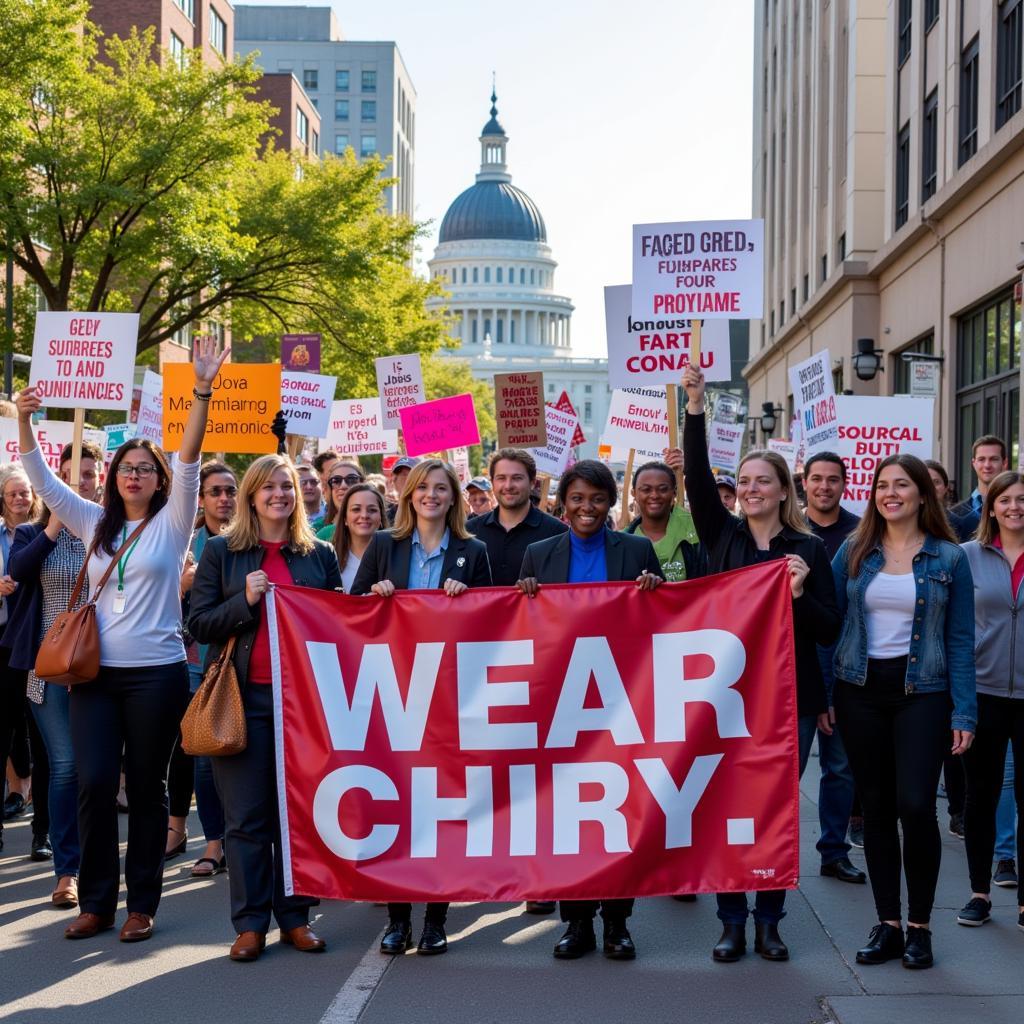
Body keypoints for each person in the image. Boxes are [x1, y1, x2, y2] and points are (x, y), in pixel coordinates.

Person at [14, 336, 229, 943]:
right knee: (94, 781)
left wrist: (204, 388)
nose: (134, 475)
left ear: (158, 481)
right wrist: (25, 419)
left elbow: (189, 457)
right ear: (113, 478)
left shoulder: (174, 520)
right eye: (125, 468)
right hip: (96, 676)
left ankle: (142, 906)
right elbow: (44, 484)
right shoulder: (92, 520)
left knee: (149, 786)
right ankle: (98, 902)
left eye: (144, 469)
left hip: (157, 674)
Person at [682, 365, 840, 963]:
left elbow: (830, 626)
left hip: (789, 701)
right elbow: (697, 480)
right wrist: (694, 406)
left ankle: (770, 919)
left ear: (782, 490)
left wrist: (799, 597)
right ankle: (730, 919)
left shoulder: (808, 550)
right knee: (726, 806)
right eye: (744, 481)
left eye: (761, 481)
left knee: (773, 808)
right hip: (724, 696)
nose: (750, 489)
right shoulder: (723, 539)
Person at [188, 454, 342, 962]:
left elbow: (339, 624)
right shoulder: (221, 551)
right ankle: (250, 924)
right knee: (247, 818)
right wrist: (244, 603)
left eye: (287, 486)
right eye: (269, 487)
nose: (280, 494)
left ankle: (296, 918)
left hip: (305, 707)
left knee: (296, 816)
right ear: (252, 495)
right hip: (243, 699)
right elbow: (200, 624)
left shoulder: (318, 554)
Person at [832, 454, 975, 970]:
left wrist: (965, 711)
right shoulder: (854, 552)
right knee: (875, 808)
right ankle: (888, 924)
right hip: (859, 690)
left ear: (921, 494)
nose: (890, 493)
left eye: (901, 485)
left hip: (925, 692)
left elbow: (960, 639)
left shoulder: (948, 558)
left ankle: (920, 928)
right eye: (881, 485)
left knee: (916, 804)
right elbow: (831, 621)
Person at [517, 458, 663, 962]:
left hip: (623, 701)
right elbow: (520, 631)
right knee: (570, 818)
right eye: (577, 498)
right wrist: (524, 597)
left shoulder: (638, 550)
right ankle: (576, 923)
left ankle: (618, 924)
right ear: (563, 501)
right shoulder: (538, 554)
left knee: (619, 812)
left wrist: (654, 591)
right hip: (561, 704)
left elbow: (666, 624)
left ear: (610, 504)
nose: (587, 508)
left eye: (597, 499)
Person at [351, 458, 491, 957]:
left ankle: (436, 918)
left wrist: (468, 597)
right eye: (422, 487)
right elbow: (349, 613)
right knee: (397, 807)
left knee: (442, 808)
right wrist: (374, 595)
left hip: (449, 699)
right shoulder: (384, 546)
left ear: (454, 498)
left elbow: (492, 626)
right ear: (408, 495)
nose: (430, 495)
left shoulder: (473, 551)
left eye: (440, 488)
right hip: (393, 695)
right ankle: (396, 919)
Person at [4, 442, 103, 907]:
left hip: (105, 667)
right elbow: (19, 571)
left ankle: (100, 862)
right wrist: (54, 524)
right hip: (50, 668)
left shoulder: (110, 529)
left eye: (88, 472)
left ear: (101, 477)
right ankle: (68, 871)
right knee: (64, 767)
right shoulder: (31, 533)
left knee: (97, 770)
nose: (80, 480)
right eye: (70, 473)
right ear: (54, 477)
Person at [956, 471, 1024, 932]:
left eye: (1023, 499)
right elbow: (954, 629)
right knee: (980, 797)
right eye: (1007, 499)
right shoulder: (968, 557)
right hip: (982, 692)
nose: (1016, 507)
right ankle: (980, 892)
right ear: (991, 505)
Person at [169, 460, 237, 876]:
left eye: (231, 490)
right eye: (215, 492)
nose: (224, 499)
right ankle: (214, 842)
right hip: (196, 665)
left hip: (245, 663)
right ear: (201, 499)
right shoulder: (183, 546)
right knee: (204, 756)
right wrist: (182, 586)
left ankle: (245, 838)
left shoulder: (251, 539)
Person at [802, 452, 866, 885]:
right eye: (817, 479)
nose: (824, 487)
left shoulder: (861, 533)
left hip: (845, 665)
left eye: (833, 480)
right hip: (797, 666)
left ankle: (833, 850)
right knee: (781, 769)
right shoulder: (791, 531)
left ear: (844, 484)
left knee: (840, 767)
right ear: (803, 482)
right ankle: (772, 850)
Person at [0, 467, 45, 858]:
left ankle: (41, 832)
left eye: (25, 492)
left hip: (36, 644)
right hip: (3, 642)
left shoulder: (41, 533)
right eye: (13, 493)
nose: (19, 498)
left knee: (39, 733)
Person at [466, 448, 567, 588]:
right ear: (492, 483)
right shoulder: (469, 531)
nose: (508, 486)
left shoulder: (558, 533)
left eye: (517, 478)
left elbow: (562, 590)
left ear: (532, 482)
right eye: (501, 478)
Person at [622, 451, 703, 581]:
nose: (654, 495)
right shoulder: (621, 541)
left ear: (674, 493)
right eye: (646, 489)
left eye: (663, 489)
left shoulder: (695, 533)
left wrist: (690, 469)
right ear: (634, 493)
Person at [332, 483, 386, 593]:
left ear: (381, 518)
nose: (364, 515)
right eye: (356, 509)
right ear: (345, 518)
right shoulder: (330, 559)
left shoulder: (395, 558)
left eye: (372, 510)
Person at [952, 435, 1009, 520]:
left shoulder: (1016, 512)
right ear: (974, 464)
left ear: (1004, 463)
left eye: (994, 459)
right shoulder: (955, 515)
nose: (987, 465)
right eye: (981, 459)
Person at [927, 459, 978, 545]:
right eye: (925, 482)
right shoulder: (906, 523)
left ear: (946, 487)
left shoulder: (964, 523)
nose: (931, 487)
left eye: (936, 482)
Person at [315, 459, 365, 541]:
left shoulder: (375, 524)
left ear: (363, 484)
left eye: (351, 479)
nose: (343, 485)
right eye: (336, 480)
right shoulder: (316, 530)